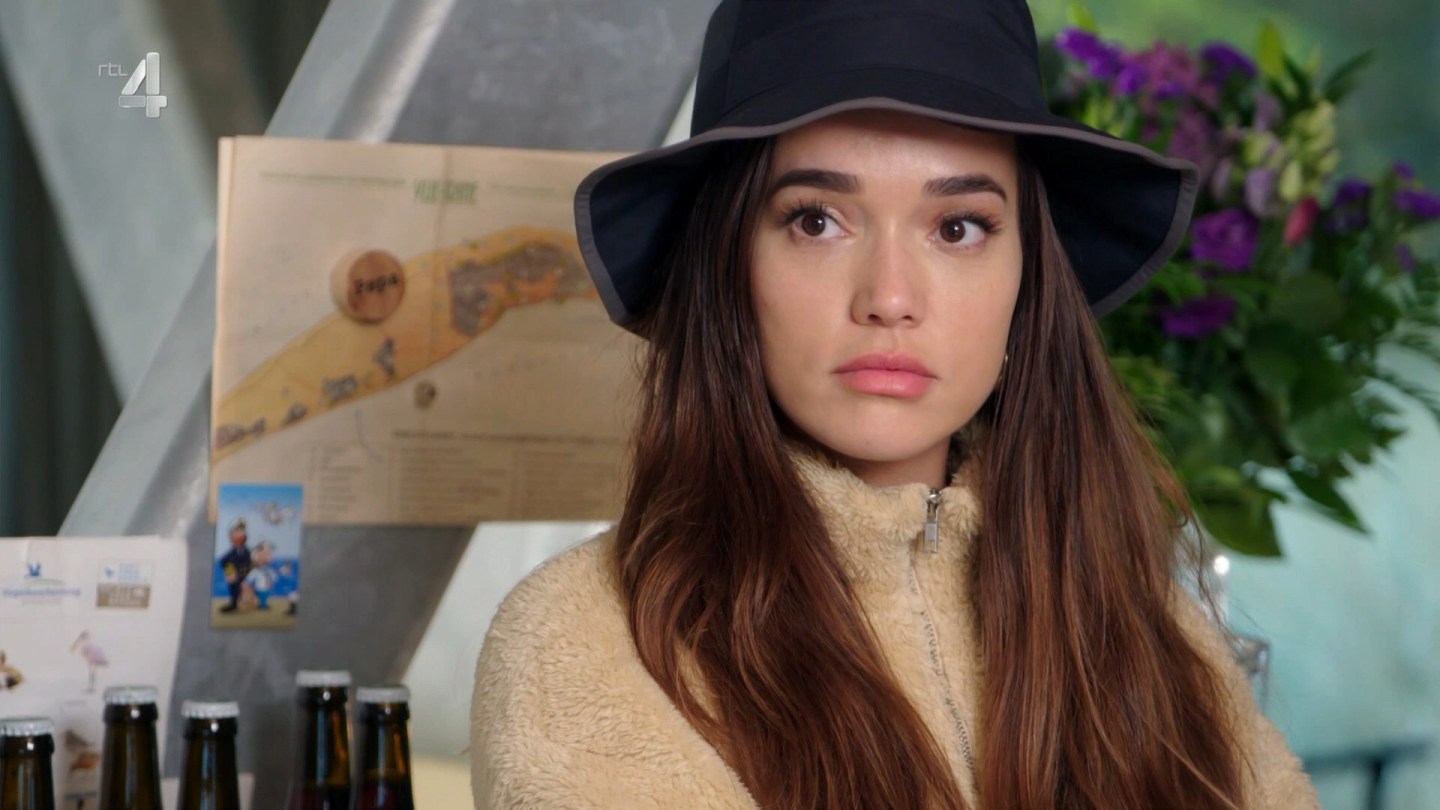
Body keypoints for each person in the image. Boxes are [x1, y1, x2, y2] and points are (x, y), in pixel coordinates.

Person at [471, 1, 1320, 808]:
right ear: (726, 265)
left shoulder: (1152, 623)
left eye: (957, 227)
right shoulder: (581, 643)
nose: (889, 298)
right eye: (816, 221)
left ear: (1029, 279)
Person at [218, 517, 251, 614]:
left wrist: (244, 573)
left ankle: (239, 603)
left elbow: (248, 562)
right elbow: (224, 561)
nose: (239, 535)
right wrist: (230, 572)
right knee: (234, 585)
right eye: (235, 533)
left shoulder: (245, 551)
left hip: (243, 574)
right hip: (234, 575)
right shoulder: (231, 554)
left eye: (241, 533)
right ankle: (234, 603)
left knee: (241, 587)